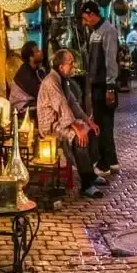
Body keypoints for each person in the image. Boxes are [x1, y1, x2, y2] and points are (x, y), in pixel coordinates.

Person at [37, 49, 105, 199]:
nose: (73, 66)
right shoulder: (51, 82)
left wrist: (88, 121)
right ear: (61, 67)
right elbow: (62, 107)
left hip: (62, 121)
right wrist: (77, 129)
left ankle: (90, 174)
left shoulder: (62, 80)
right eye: (71, 63)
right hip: (51, 125)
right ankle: (86, 184)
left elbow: (72, 104)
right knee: (78, 138)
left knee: (90, 131)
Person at [81, 0, 120, 176]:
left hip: (105, 86)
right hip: (97, 85)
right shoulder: (94, 32)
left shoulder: (108, 31)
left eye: (85, 18)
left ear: (92, 14)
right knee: (102, 123)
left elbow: (110, 60)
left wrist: (110, 87)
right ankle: (111, 161)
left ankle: (104, 164)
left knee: (104, 125)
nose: (84, 22)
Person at [9, 41, 45, 114]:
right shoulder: (25, 74)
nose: (41, 52)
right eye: (37, 51)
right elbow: (40, 94)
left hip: (31, 102)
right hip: (22, 108)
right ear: (31, 57)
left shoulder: (37, 70)